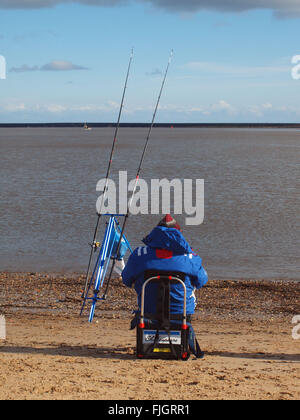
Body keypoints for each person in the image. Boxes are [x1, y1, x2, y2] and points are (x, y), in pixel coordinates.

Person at [122, 214, 208, 357]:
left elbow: (126, 280)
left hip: (148, 309)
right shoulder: (190, 256)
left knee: (143, 286)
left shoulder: (139, 254)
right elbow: (201, 281)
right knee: (189, 289)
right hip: (180, 311)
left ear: (154, 233)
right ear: (179, 235)